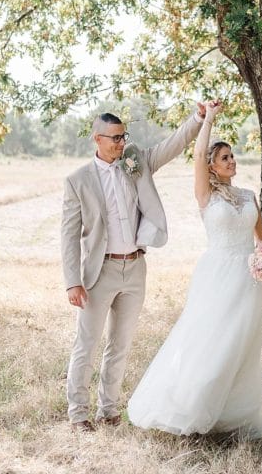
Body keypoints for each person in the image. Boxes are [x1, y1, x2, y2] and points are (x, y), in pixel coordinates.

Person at [127, 100, 262, 438]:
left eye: (232, 156)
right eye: (224, 157)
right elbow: (198, 154)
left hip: (250, 281)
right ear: (212, 166)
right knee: (209, 340)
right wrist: (208, 119)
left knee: (241, 345)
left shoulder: (248, 196)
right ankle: (192, 406)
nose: (231, 161)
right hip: (216, 276)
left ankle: (234, 413)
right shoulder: (205, 195)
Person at [61, 104, 205, 431]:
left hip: (135, 268)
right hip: (99, 273)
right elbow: (68, 236)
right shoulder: (77, 181)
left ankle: (108, 411)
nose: (121, 142)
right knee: (87, 343)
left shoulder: (134, 160)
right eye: (114, 137)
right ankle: (78, 414)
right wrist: (72, 281)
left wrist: (196, 119)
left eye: (124, 135)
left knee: (120, 344)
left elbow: (171, 146)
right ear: (97, 139)